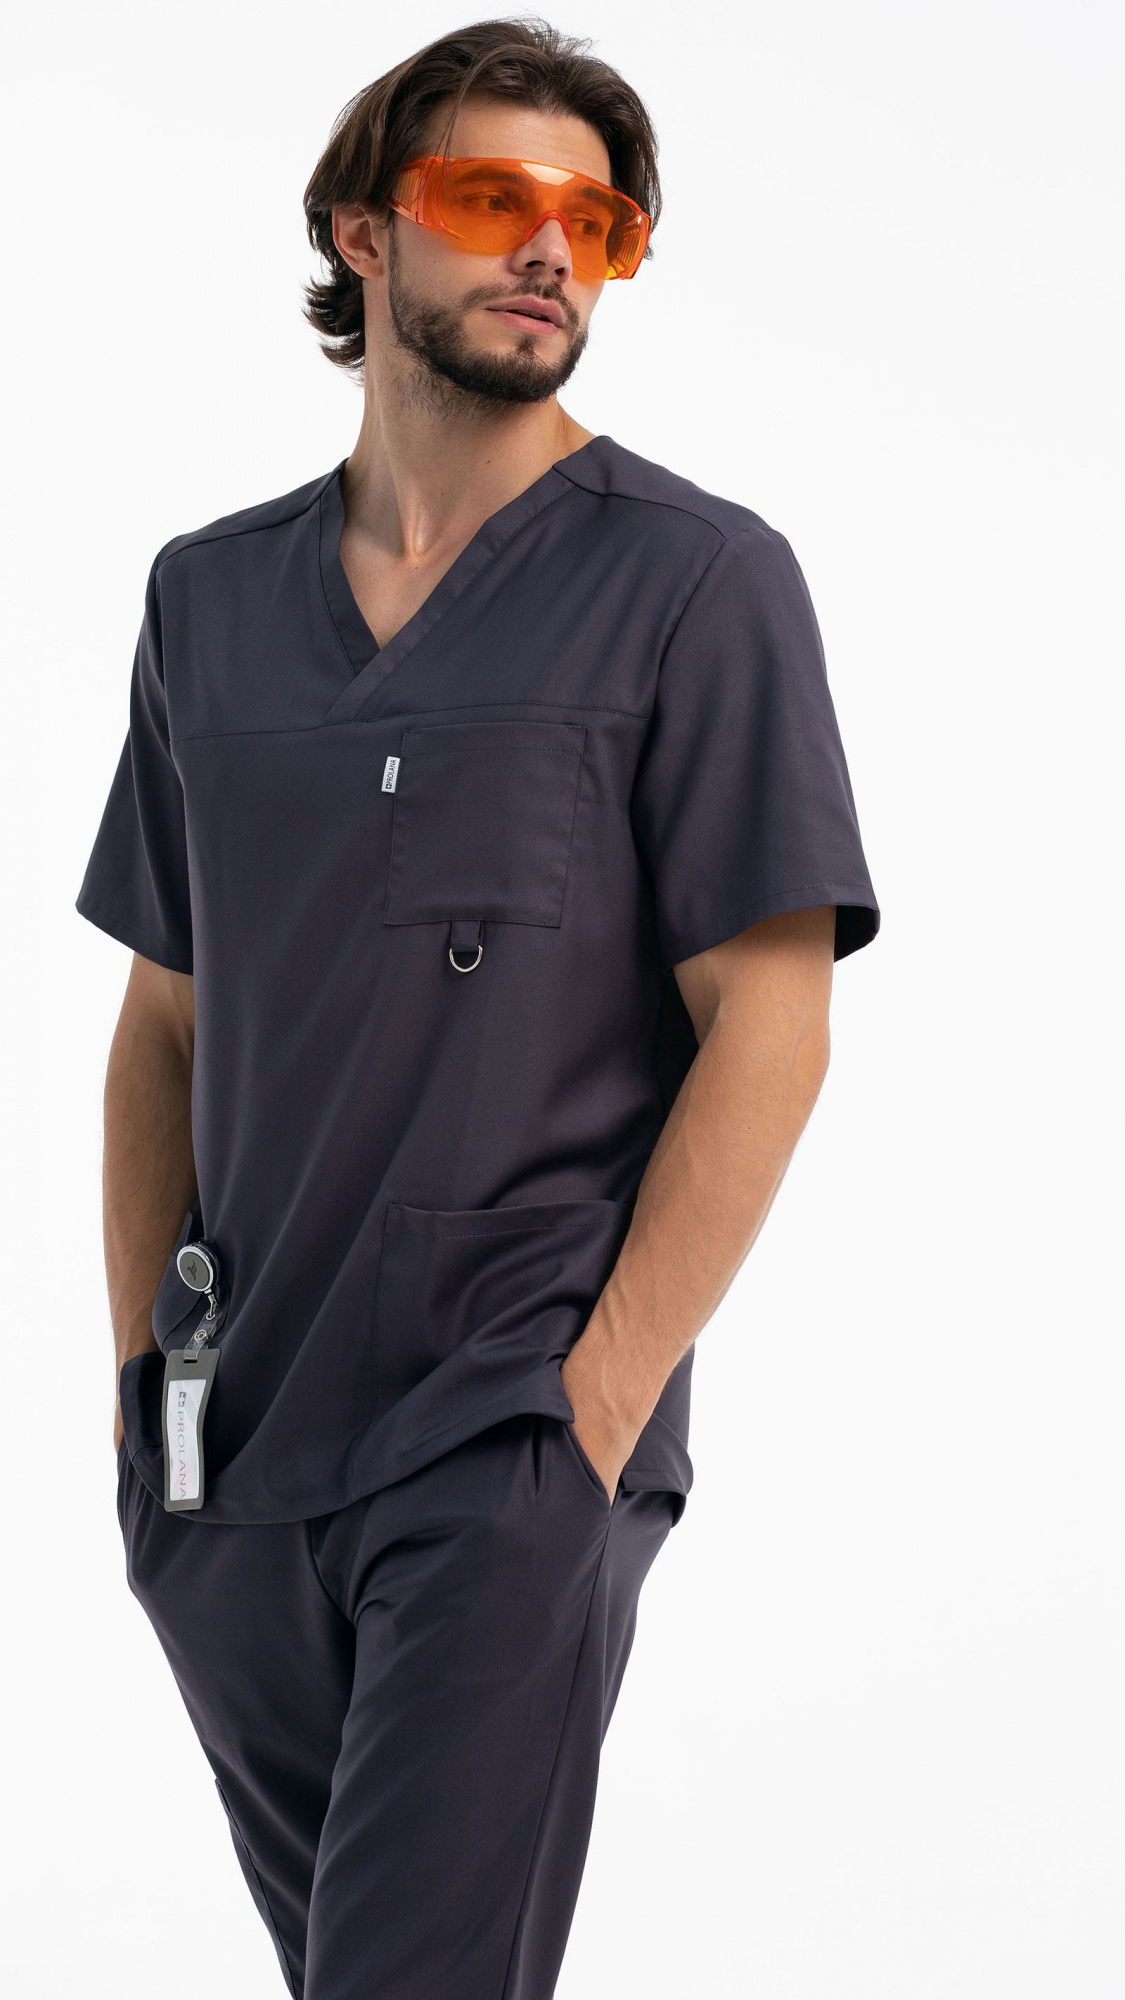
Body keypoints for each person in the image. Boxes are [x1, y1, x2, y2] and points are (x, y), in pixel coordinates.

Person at [76, 18, 880, 1998]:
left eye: (594, 222)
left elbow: (770, 1025)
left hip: (505, 1423)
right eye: (490, 197)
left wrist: (589, 1415)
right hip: (229, 1457)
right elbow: (166, 1022)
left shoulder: (695, 583)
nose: (547, 248)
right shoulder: (207, 602)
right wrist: (149, 1403)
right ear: (362, 232)